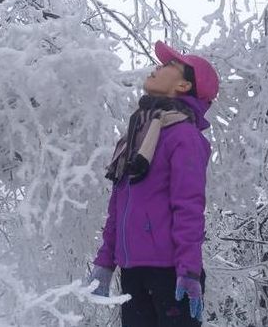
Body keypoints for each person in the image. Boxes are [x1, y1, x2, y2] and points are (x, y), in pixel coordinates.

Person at [88, 40, 219, 327]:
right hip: (133, 271)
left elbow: (189, 206)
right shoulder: (137, 134)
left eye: (169, 65)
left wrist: (189, 270)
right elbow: (118, 209)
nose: (157, 67)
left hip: (171, 274)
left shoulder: (184, 137)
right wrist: (105, 262)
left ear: (184, 86)